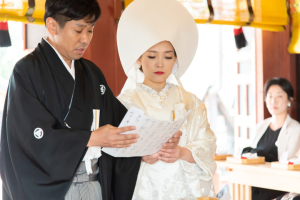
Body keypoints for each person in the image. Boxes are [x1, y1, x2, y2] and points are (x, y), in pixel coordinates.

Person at [0, 0, 181, 199]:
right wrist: (93, 138)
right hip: (54, 191)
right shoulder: (27, 71)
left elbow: (121, 124)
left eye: (91, 30)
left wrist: (149, 145)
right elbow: (29, 137)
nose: (85, 39)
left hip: (95, 185)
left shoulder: (92, 74)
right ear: (52, 25)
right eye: (79, 31)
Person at [117, 0, 217, 199]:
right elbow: (113, 151)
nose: (160, 63)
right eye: (152, 56)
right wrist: (139, 157)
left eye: (168, 57)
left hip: (183, 189)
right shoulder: (124, 102)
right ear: (139, 58)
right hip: (143, 190)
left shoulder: (191, 103)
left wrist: (182, 152)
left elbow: (208, 144)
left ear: (176, 60)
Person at [242, 77, 300, 200]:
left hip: (278, 185)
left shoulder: (296, 129)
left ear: (289, 100)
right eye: (270, 96)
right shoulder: (260, 126)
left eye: (279, 96)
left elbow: (288, 163)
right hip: (254, 181)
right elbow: (249, 155)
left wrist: (261, 155)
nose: (273, 101)